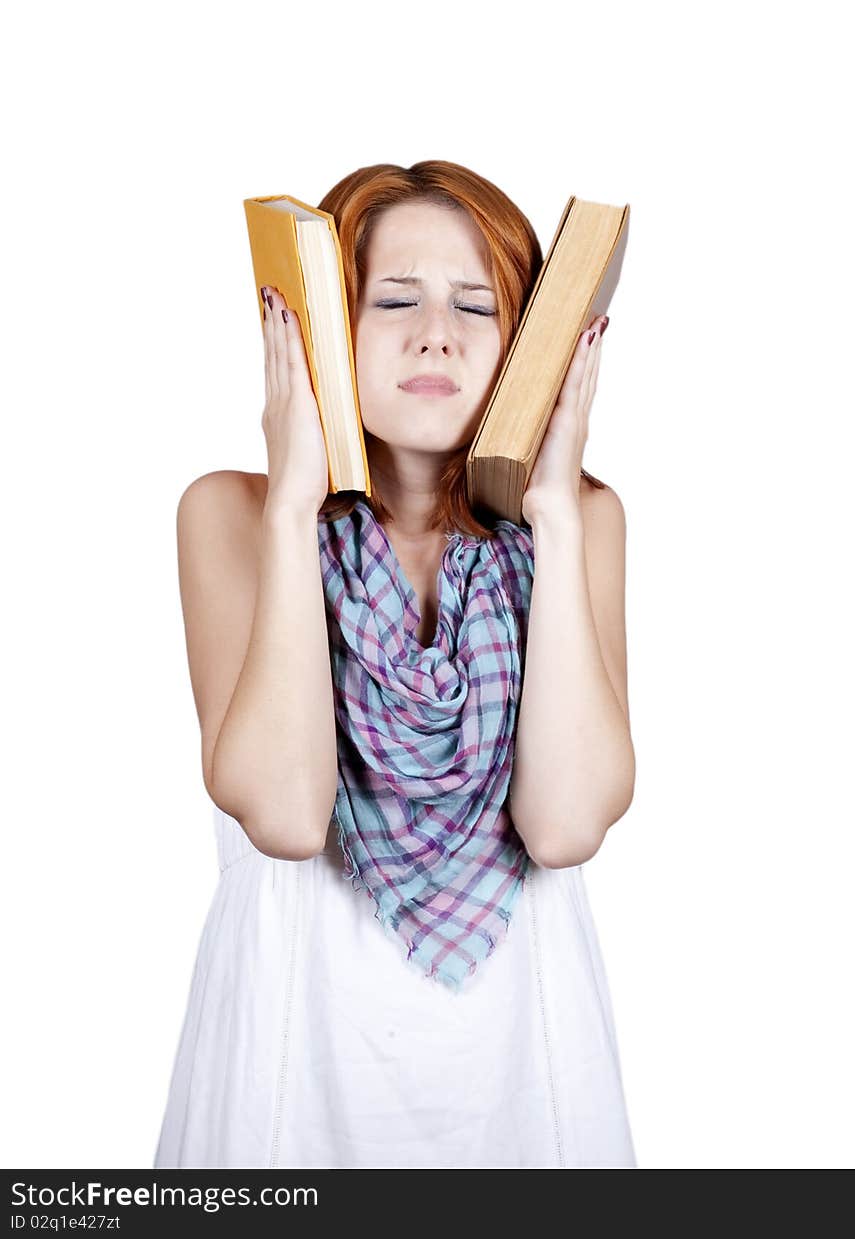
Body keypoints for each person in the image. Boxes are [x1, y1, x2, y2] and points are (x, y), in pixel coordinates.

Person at [153, 160, 637, 1169]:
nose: (435, 334)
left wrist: (547, 508)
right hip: (292, 1049)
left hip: (521, 1059)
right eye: (394, 300)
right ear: (324, 327)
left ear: (528, 344)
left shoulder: (580, 520)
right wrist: (293, 505)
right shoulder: (232, 515)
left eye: (476, 305)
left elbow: (563, 825)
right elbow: (286, 816)